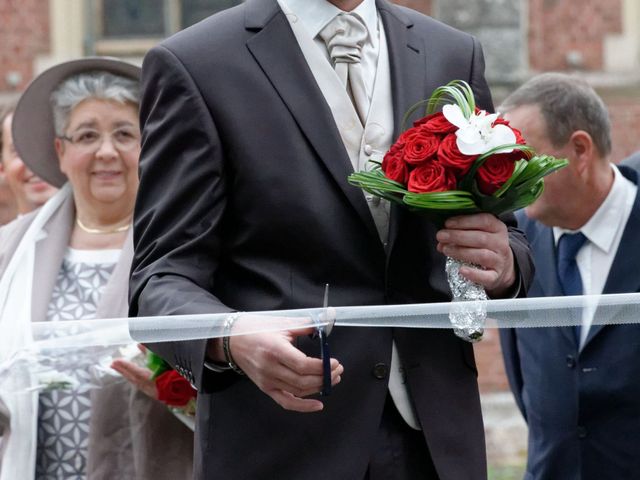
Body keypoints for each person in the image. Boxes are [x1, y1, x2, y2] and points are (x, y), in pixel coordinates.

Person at [130, 1, 534, 479]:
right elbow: (159, 278)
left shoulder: (450, 51)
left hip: (434, 439)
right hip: (282, 440)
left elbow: (508, 238)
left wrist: (504, 261)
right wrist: (229, 338)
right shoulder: (196, 64)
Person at [0, 58, 192, 480]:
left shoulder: (187, 245)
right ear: (60, 150)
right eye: (87, 135)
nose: (106, 151)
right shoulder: (10, 250)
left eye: (124, 134)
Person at [499, 73, 640, 480]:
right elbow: (526, 381)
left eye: (520, 160)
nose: (507, 179)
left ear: (579, 149)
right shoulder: (515, 243)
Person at [0, 100, 57, 218]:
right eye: (20, 151)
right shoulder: (6, 236)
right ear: (2, 168)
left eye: (47, 146)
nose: (36, 162)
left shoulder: (100, 234)